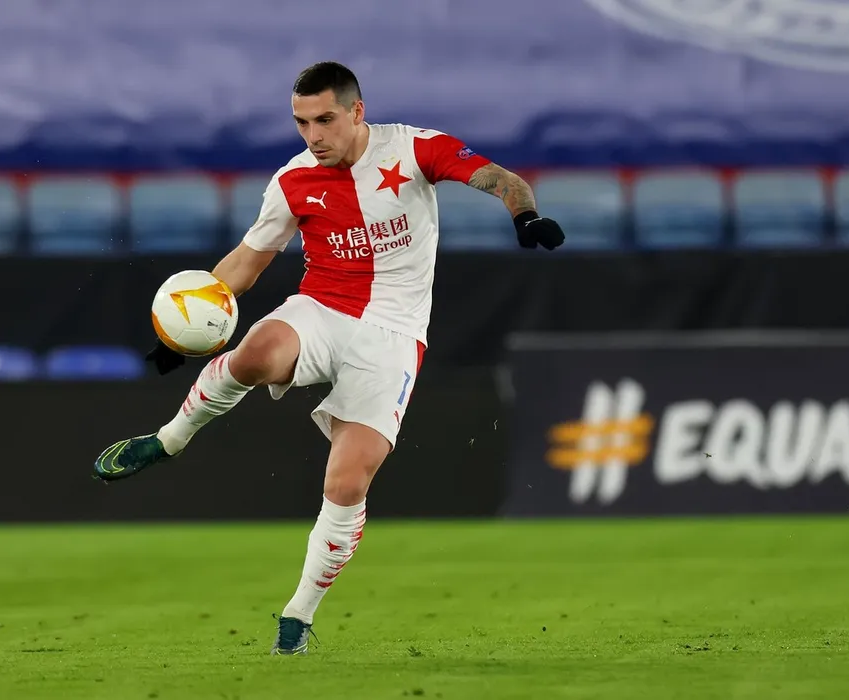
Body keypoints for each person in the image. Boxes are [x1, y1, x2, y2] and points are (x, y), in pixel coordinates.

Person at [92, 61, 565, 655]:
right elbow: (247, 262)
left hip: (394, 333)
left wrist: (525, 215)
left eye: (325, 120)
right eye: (301, 123)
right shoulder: (293, 180)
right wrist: (184, 329)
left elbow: (500, 178)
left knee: (346, 481)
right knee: (256, 352)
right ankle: (169, 440)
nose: (313, 135)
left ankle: (297, 618)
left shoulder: (414, 149)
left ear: (356, 111)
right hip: (322, 307)